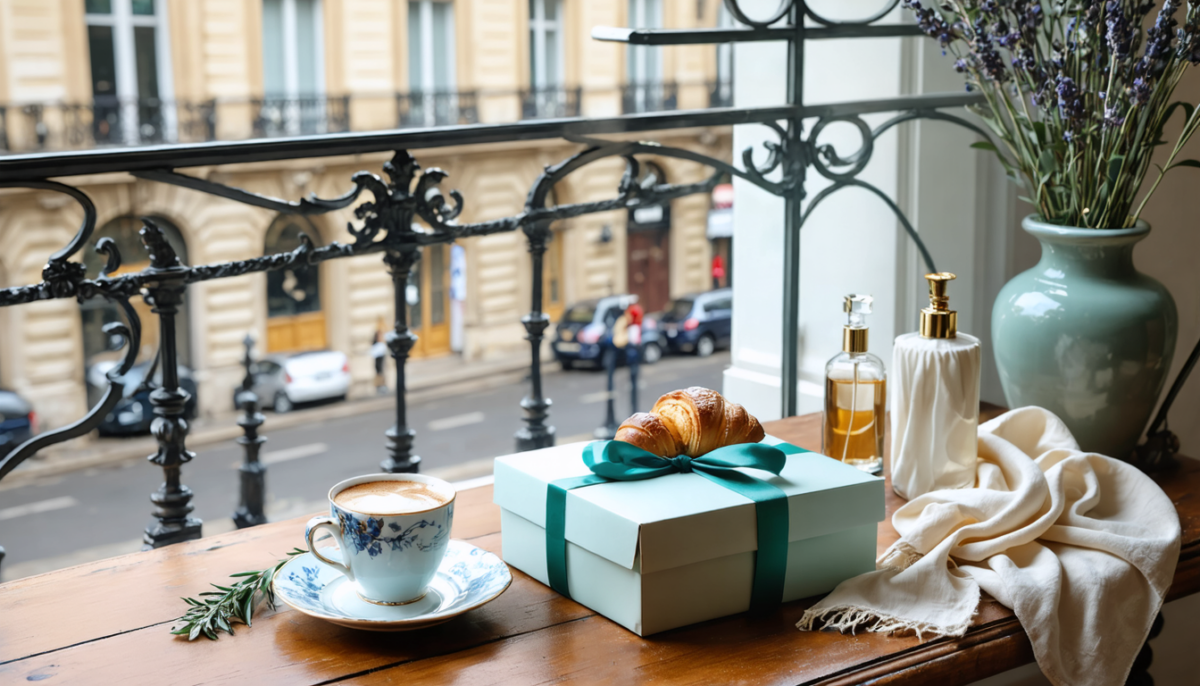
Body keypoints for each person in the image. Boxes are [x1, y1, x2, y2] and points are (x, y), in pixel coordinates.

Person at [371, 317, 389, 394]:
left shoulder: (381, 331)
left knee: (381, 370)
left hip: (381, 355)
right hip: (378, 356)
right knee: (379, 371)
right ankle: (379, 386)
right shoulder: (377, 332)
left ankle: (381, 385)